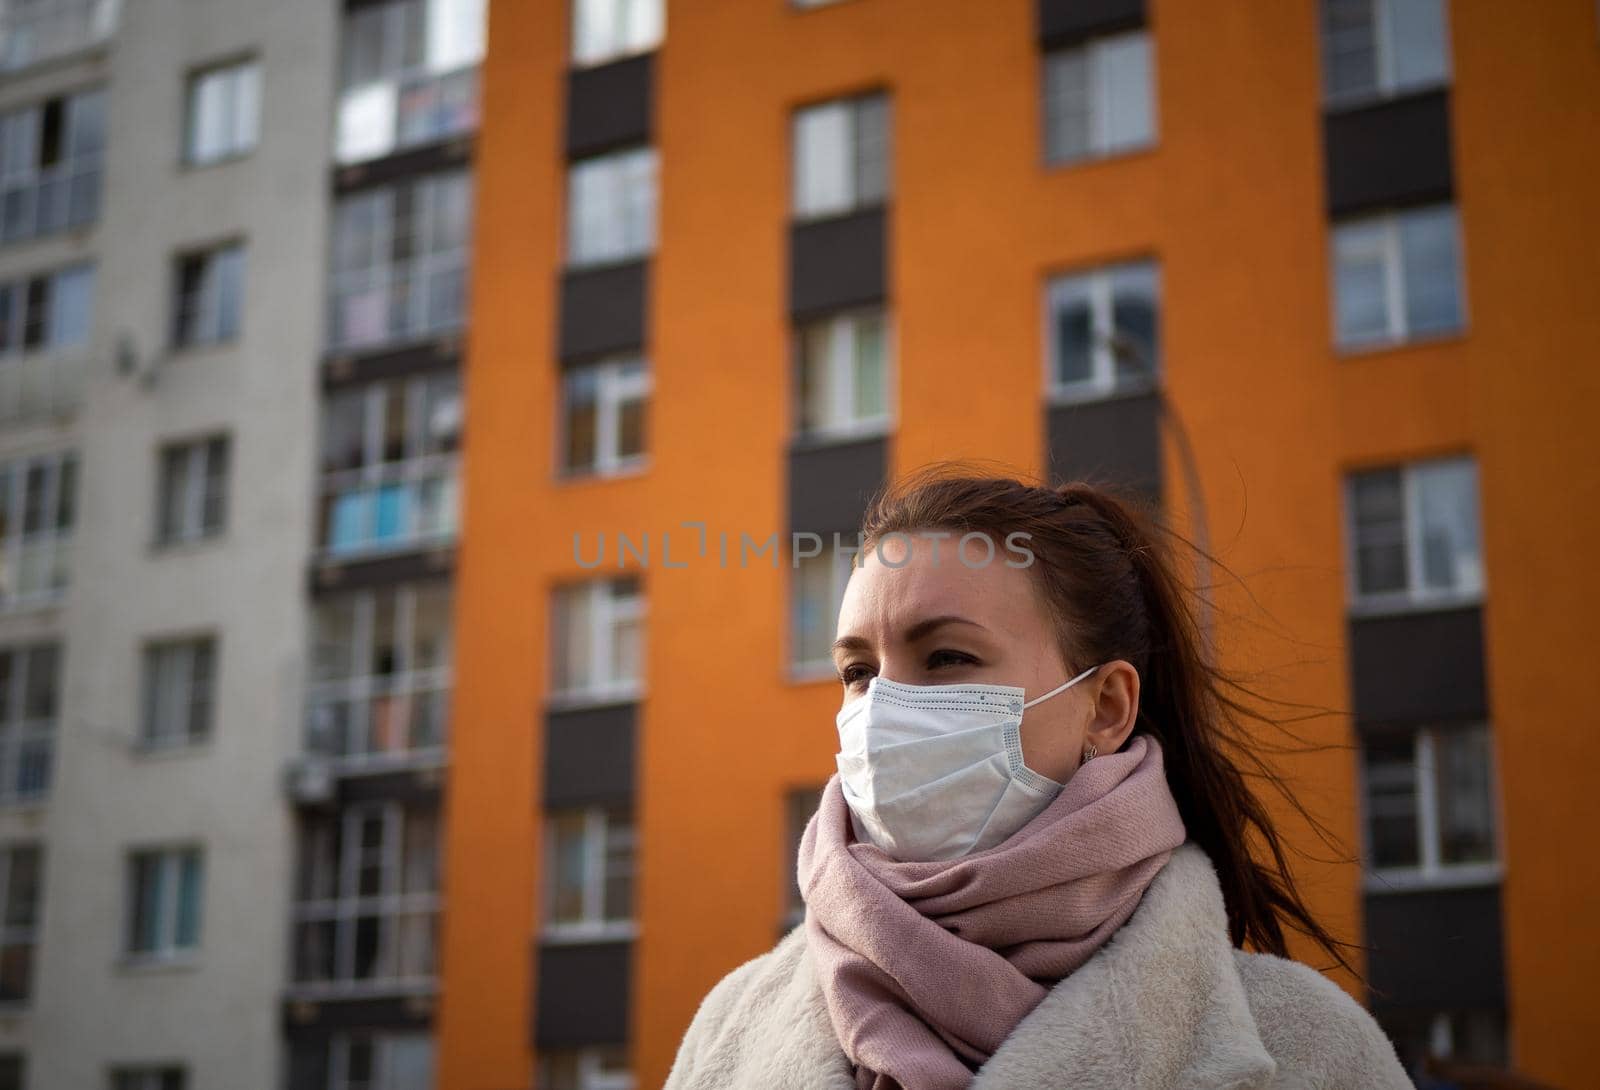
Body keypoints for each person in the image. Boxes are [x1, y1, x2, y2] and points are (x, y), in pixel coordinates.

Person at [665, 468, 1411, 1090]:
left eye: (948, 657)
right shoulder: (731, 1030)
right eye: (858, 671)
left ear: (1106, 708)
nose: (883, 708)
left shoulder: (1313, 1050)